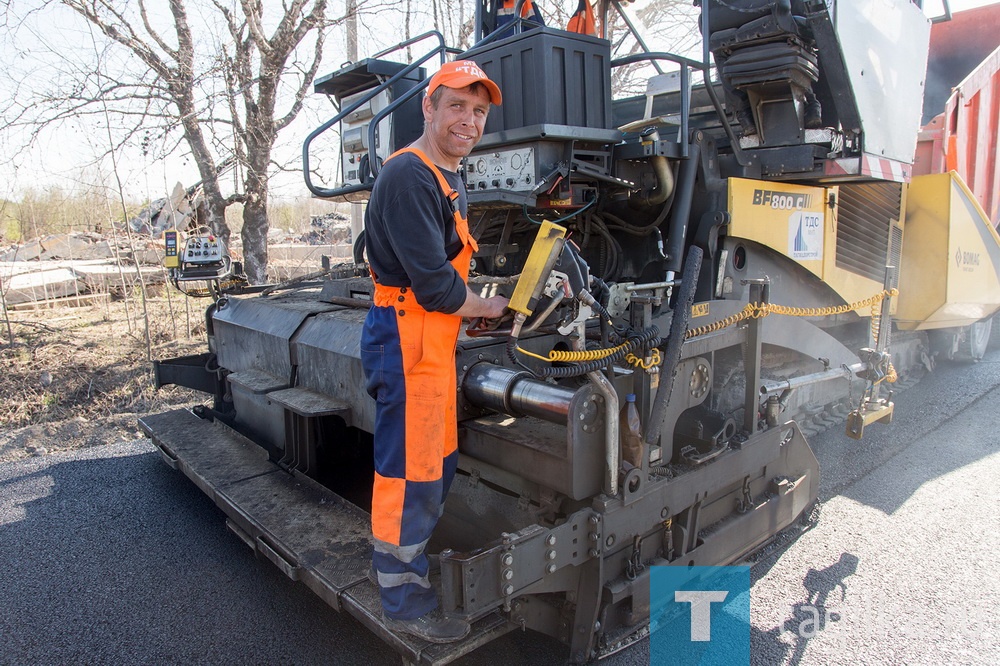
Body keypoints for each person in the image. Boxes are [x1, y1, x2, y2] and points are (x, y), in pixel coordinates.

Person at [360, 60, 510, 644]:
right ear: (428, 107)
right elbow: (436, 287)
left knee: (437, 460)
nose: (468, 122)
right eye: (457, 107)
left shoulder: (447, 177)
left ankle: (411, 562)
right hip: (406, 335)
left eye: (478, 112)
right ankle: (402, 599)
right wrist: (489, 308)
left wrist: (470, 312)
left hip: (431, 338)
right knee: (409, 470)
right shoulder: (409, 176)